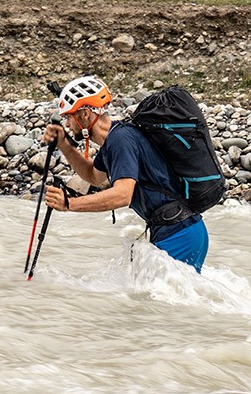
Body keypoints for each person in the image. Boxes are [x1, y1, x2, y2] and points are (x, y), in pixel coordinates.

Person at [41, 75, 209, 272]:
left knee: (157, 301)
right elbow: (93, 176)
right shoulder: (115, 139)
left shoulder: (121, 140)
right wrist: (64, 144)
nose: (68, 124)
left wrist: (69, 204)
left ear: (85, 114)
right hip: (178, 231)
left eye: (68, 117)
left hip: (180, 234)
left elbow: (123, 194)